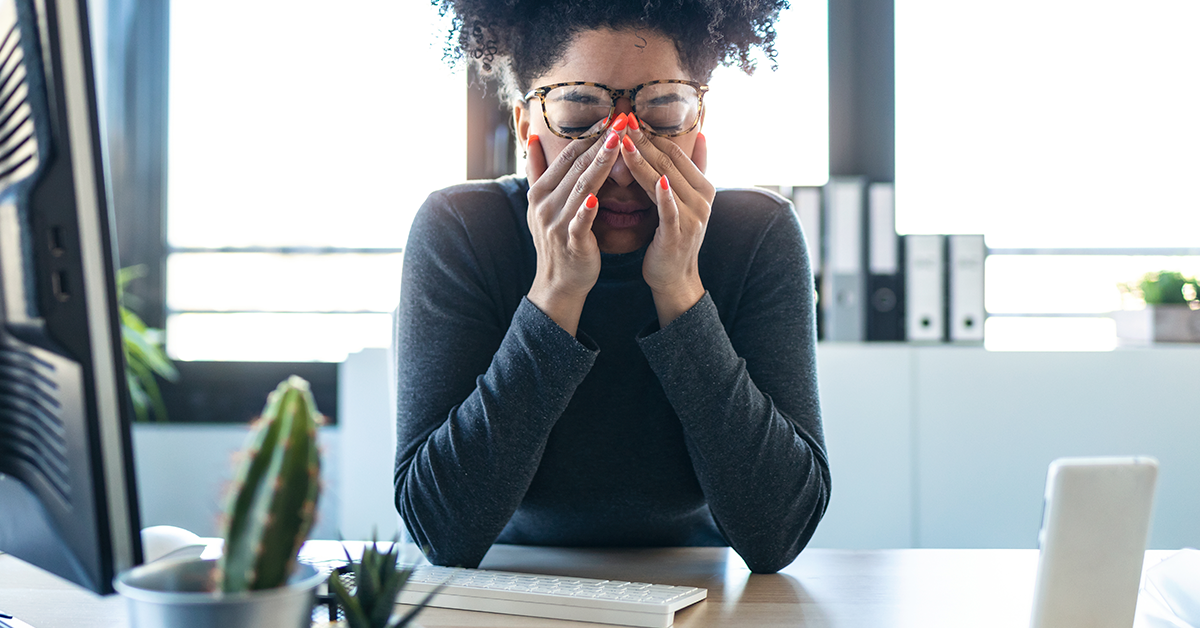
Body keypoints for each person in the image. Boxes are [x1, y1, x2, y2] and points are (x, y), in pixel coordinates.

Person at [393, 0, 830, 574]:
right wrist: (555, 292)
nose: (621, 164)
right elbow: (440, 528)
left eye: (664, 111)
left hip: (696, 582)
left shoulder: (758, 235)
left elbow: (779, 532)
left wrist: (680, 289)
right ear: (526, 127)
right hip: (501, 581)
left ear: (699, 121)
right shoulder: (462, 230)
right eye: (577, 115)